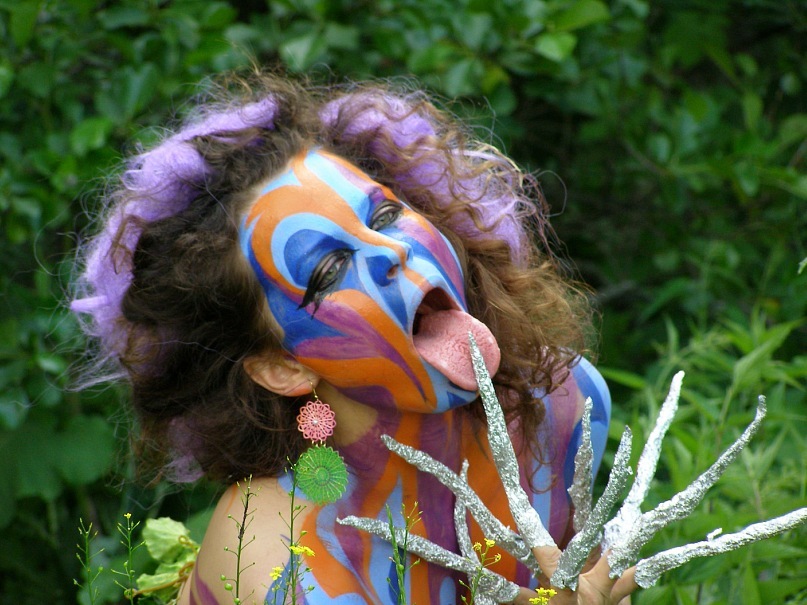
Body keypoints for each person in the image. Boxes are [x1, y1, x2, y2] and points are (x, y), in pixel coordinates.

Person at [71, 72, 635, 604]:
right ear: (283, 366)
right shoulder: (273, 551)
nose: (391, 251)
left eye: (387, 215)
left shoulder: (560, 404)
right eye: (330, 271)